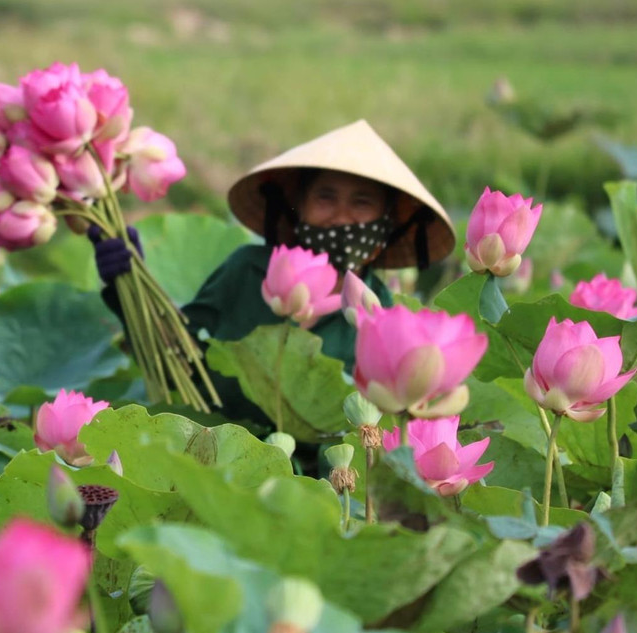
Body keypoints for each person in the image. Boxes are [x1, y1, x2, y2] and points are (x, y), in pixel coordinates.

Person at [93, 119, 455, 428]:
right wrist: (128, 284)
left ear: (383, 231)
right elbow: (176, 357)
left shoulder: (379, 312)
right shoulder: (248, 270)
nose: (341, 216)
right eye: (325, 198)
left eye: (361, 202)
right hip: (219, 451)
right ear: (296, 210)